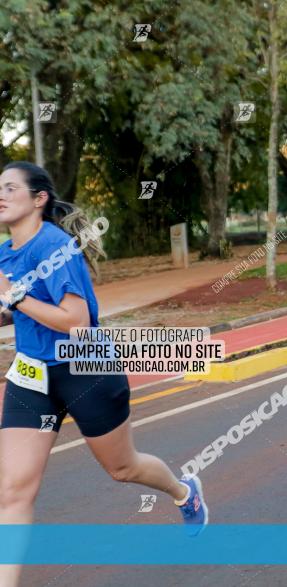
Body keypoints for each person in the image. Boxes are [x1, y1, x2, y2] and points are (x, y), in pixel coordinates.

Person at [0, 162, 207, 586]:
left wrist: (16, 298)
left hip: (86, 366)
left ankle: (184, 492)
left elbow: (75, 322)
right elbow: (14, 310)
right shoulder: (5, 252)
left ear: (39, 199)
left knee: (123, 468)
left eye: (9, 188)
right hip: (31, 374)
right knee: (13, 493)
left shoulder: (55, 248)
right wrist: (9, 307)